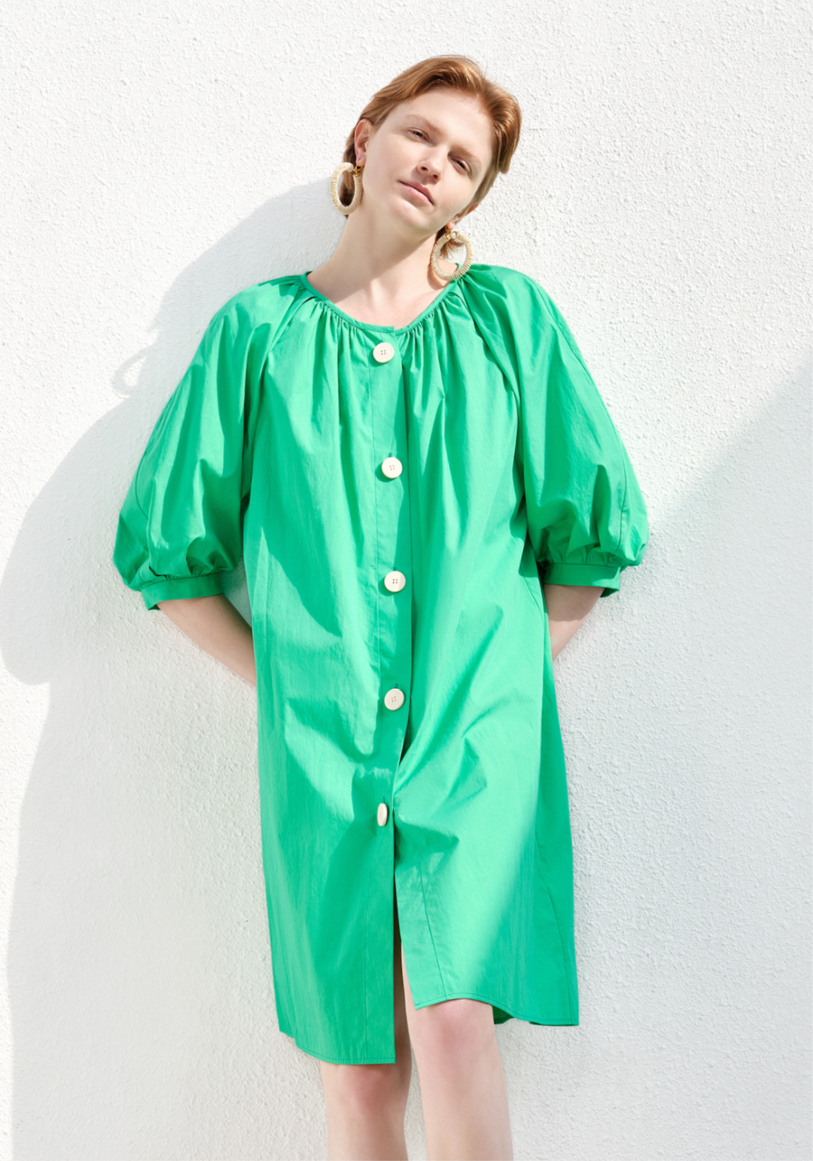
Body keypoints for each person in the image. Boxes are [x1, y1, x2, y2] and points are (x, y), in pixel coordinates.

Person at [112, 55, 649, 1161]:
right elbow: (168, 559)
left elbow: (591, 537)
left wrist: (505, 676)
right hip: (322, 745)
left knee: (450, 1017)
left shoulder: (508, 322)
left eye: (465, 162)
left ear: (472, 198)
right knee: (358, 1061)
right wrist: (290, 684)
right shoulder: (257, 335)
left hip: (478, 735)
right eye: (421, 134)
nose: (436, 165)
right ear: (366, 138)